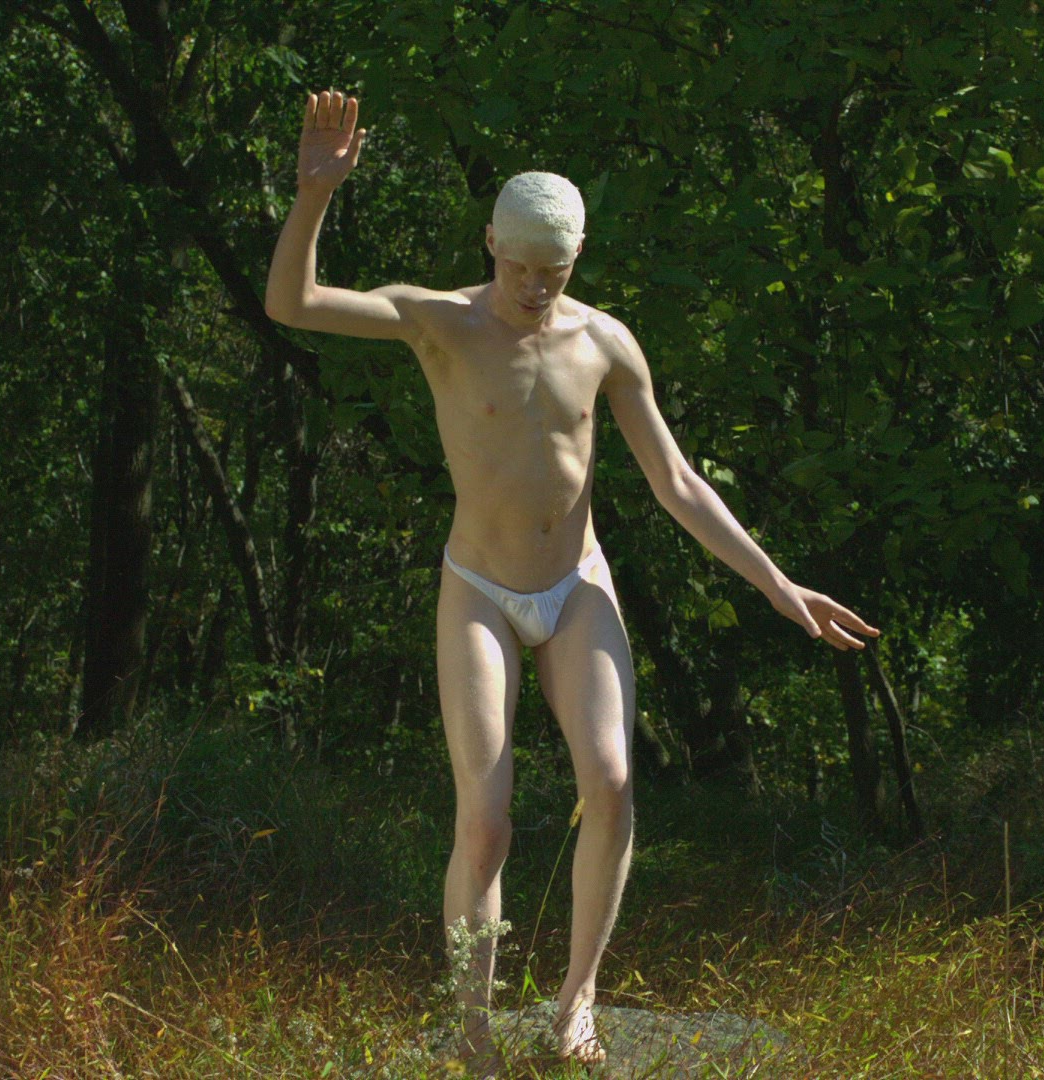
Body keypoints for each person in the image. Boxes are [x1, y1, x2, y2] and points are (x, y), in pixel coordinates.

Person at [263, 89, 882, 1074]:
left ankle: (575, 1005)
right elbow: (292, 304)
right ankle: (472, 1028)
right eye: (517, 267)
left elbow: (677, 481)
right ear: (489, 246)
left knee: (613, 781)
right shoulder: (439, 321)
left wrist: (777, 585)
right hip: (480, 588)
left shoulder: (604, 342)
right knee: (487, 817)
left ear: (577, 258)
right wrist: (314, 195)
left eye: (552, 271)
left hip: (577, 584)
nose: (532, 286)